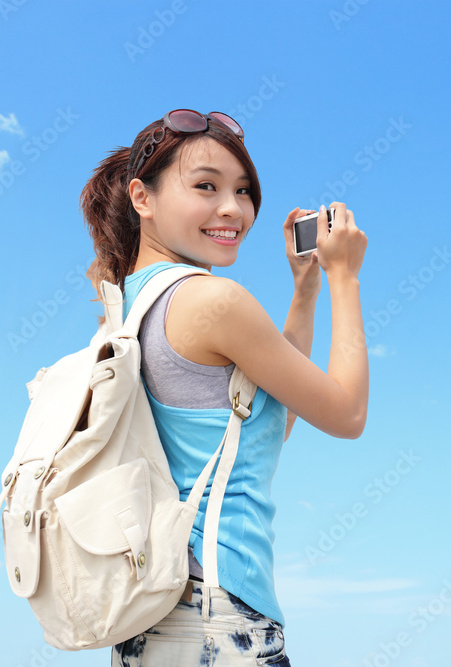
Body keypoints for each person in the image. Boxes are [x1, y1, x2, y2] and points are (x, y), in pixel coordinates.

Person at [80, 109, 368, 666]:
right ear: (142, 197)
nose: (233, 209)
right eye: (206, 186)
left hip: (150, 615)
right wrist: (345, 277)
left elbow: (266, 424)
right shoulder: (213, 300)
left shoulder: (126, 308)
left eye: (243, 191)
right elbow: (348, 415)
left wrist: (305, 291)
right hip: (220, 614)